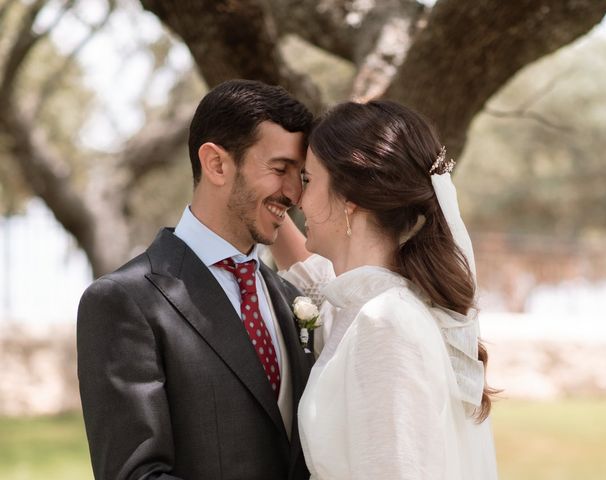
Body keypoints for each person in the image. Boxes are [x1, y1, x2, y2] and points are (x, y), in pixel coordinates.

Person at [77, 79, 315, 480]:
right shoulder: (124, 301)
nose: (294, 193)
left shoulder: (292, 299)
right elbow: (136, 474)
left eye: (302, 176)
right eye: (280, 170)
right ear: (217, 164)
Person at [271, 100, 499, 479]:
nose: (295, 197)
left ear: (350, 202)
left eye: (308, 180)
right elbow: (314, 279)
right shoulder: (366, 303)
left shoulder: (385, 323)